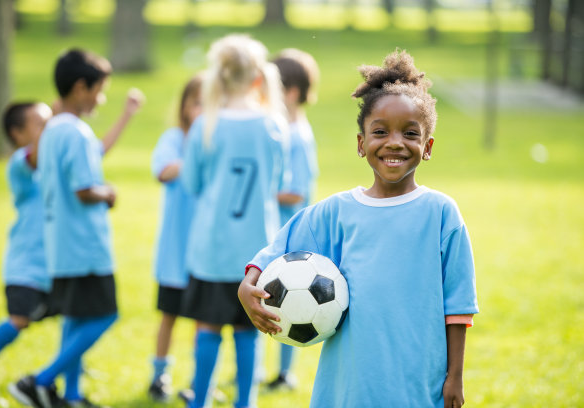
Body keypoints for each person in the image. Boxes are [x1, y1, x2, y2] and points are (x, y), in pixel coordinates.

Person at [239, 50, 479, 408]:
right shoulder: (336, 212)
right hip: (349, 385)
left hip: (418, 382)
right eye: (380, 131)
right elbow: (280, 246)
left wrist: (455, 377)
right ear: (361, 143)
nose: (395, 142)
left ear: (427, 147)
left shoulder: (441, 213)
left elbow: (458, 305)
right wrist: (249, 284)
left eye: (410, 133)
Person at [8, 49, 144, 408]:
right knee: (106, 314)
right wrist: (109, 193)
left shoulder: (51, 129)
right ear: (81, 87)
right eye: (100, 90)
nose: (101, 98)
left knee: (75, 317)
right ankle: (38, 380)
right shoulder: (79, 133)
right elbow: (84, 190)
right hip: (85, 245)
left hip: (59, 242)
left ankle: (70, 395)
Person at [179, 34, 287, 408]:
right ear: (258, 78)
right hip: (257, 250)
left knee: (208, 327)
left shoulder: (205, 126)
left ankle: (200, 401)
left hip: (211, 247)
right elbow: (278, 183)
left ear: (218, 79)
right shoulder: (273, 126)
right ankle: (245, 402)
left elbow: (190, 182)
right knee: (248, 329)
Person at [0, 102, 53, 396]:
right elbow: (35, 156)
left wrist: (125, 116)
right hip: (26, 267)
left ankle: (71, 375)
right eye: (40, 124)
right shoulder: (20, 164)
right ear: (17, 133)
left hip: (52, 267)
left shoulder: (49, 170)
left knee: (76, 315)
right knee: (19, 321)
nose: (49, 129)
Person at [265, 49, 320, 392]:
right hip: (281, 228)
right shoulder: (289, 127)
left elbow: (296, 192)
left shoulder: (296, 135)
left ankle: (285, 373)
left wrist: (262, 193)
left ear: (292, 92)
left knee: (291, 303)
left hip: (291, 231)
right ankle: (266, 370)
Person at [147, 75, 202, 402]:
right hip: (175, 252)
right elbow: (163, 171)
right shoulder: (174, 139)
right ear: (183, 106)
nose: (201, 111)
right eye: (196, 103)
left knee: (202, 321)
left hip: (204, 255)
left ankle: (198, 380)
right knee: (169, 317)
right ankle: (159, 376)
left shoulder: (218, 143)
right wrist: (192, 158)